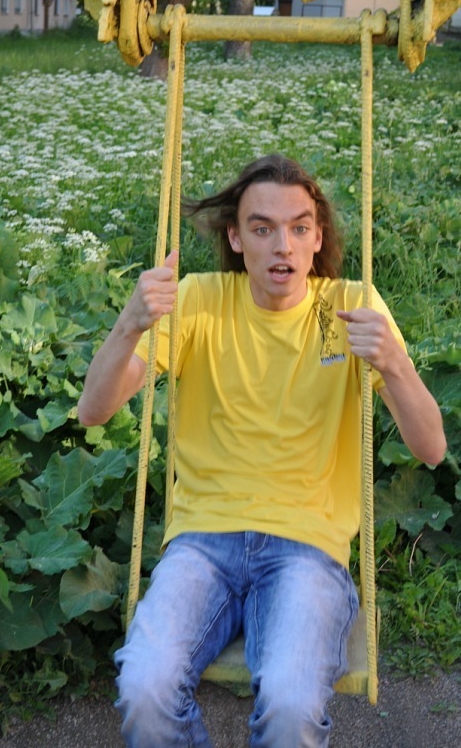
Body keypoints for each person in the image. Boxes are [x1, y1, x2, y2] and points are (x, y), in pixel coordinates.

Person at [78, 154, 446, 747]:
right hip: (203, 542)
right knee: (144, 690)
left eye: (299, 228)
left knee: (290, 705)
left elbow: (430, 447)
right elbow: (93, 410)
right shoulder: (198, 301)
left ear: (318, 236)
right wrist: (130, 325)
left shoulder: (349, 307)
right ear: (235, 237)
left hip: (307, 550)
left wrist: (395, 364)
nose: (283, 246)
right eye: (262, 228)